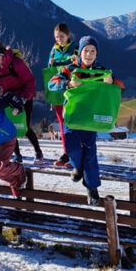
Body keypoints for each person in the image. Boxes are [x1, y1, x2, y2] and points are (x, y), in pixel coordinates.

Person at [49, 36, 124, 205]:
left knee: (90, 152)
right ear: (80, 52)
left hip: (91, 119)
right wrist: (68, 84)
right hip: (73, 116)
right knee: (71, 147)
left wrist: (111, 83)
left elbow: (120, 86)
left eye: (92, 51)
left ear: (96, 54)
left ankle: (92, 189)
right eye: (86, 50)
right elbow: (52, 84)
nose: (89, 54)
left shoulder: (102, 71)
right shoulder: (70, 69)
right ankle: (78, 167)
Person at [0, 41, 43, 163]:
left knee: (25, 126)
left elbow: (30, 81)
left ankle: (38, 152)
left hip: (24, 94)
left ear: (2, 55)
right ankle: (17, 154)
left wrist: (25, 98)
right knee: (10, 125)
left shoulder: (16, 63)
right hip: (8, 96)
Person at [48, 22, 77, 168]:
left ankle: (75, 154)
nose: (59, 39)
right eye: (56, 37)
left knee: (73, 123)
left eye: (61, 36)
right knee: (62, 124)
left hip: (73, 91)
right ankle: (66, 152)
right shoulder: (54, 50)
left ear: (68, 35)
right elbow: (49, 70)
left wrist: (59, 61)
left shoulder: (76, 47)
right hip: (58, 91)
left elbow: (77, 62)